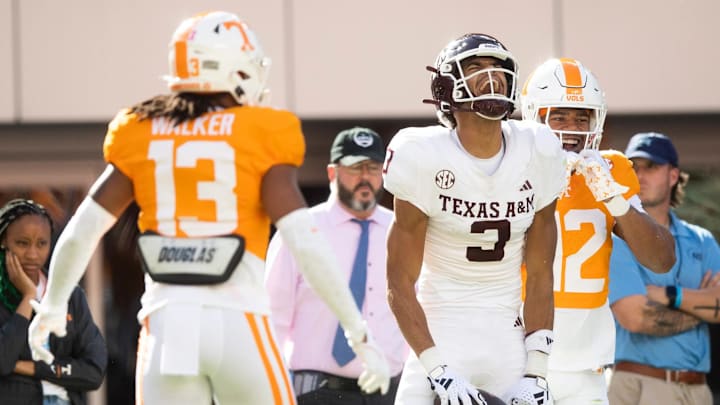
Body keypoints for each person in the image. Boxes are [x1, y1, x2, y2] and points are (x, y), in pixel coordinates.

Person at [26, 11, 389, 405]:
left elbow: (83, 231)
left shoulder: (141, 129)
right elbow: (303, 238)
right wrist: (357, 329)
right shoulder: (261, 131)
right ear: (231, 67)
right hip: (240, 321)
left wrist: (53, 306)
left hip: (168, 325)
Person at [384, 33, 567, 405]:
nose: (492, 76)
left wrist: (537, 372)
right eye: (476, 68)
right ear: (446, 87)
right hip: (441, 333)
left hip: (507, 338)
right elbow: (399, 282)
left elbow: (541, 274)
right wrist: (438, 370)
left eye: (498, 68)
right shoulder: (422, 155)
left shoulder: (539, 149)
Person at [519, 58, 676, 404]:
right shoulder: (513, 166)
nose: (572, 128)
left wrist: (613, 198)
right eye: (559, 115)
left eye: (582, 116)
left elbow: (662, 259)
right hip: (520, 363)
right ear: (535, 115)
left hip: (586, 368)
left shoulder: (611, 170)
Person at [265, 127, 408, 404]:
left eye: (373, 168)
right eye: (355, 168)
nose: (365, 177)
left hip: (389, 392)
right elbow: (274, 317)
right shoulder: (301, 230)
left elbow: (419, 305)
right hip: (316, 391)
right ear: (333, 173)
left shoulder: (401, 230)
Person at [607, 132, 720, 405]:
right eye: (634, 167)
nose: (640, 176)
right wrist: (700, 308)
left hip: (698, 389)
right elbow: (636, 318)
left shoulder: (702, 239)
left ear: (673, 176)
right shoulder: (615, 239)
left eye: (652, 167)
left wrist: (669, 295)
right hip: (640, 384)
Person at [0, 199, 107, 405]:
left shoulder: (69, 295)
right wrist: (27, 297)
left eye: (42, 244)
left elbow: (94, 371)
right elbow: (4, 361)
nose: (33, 254)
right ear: (3, 242)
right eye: (22, 243)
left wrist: (30, 367)